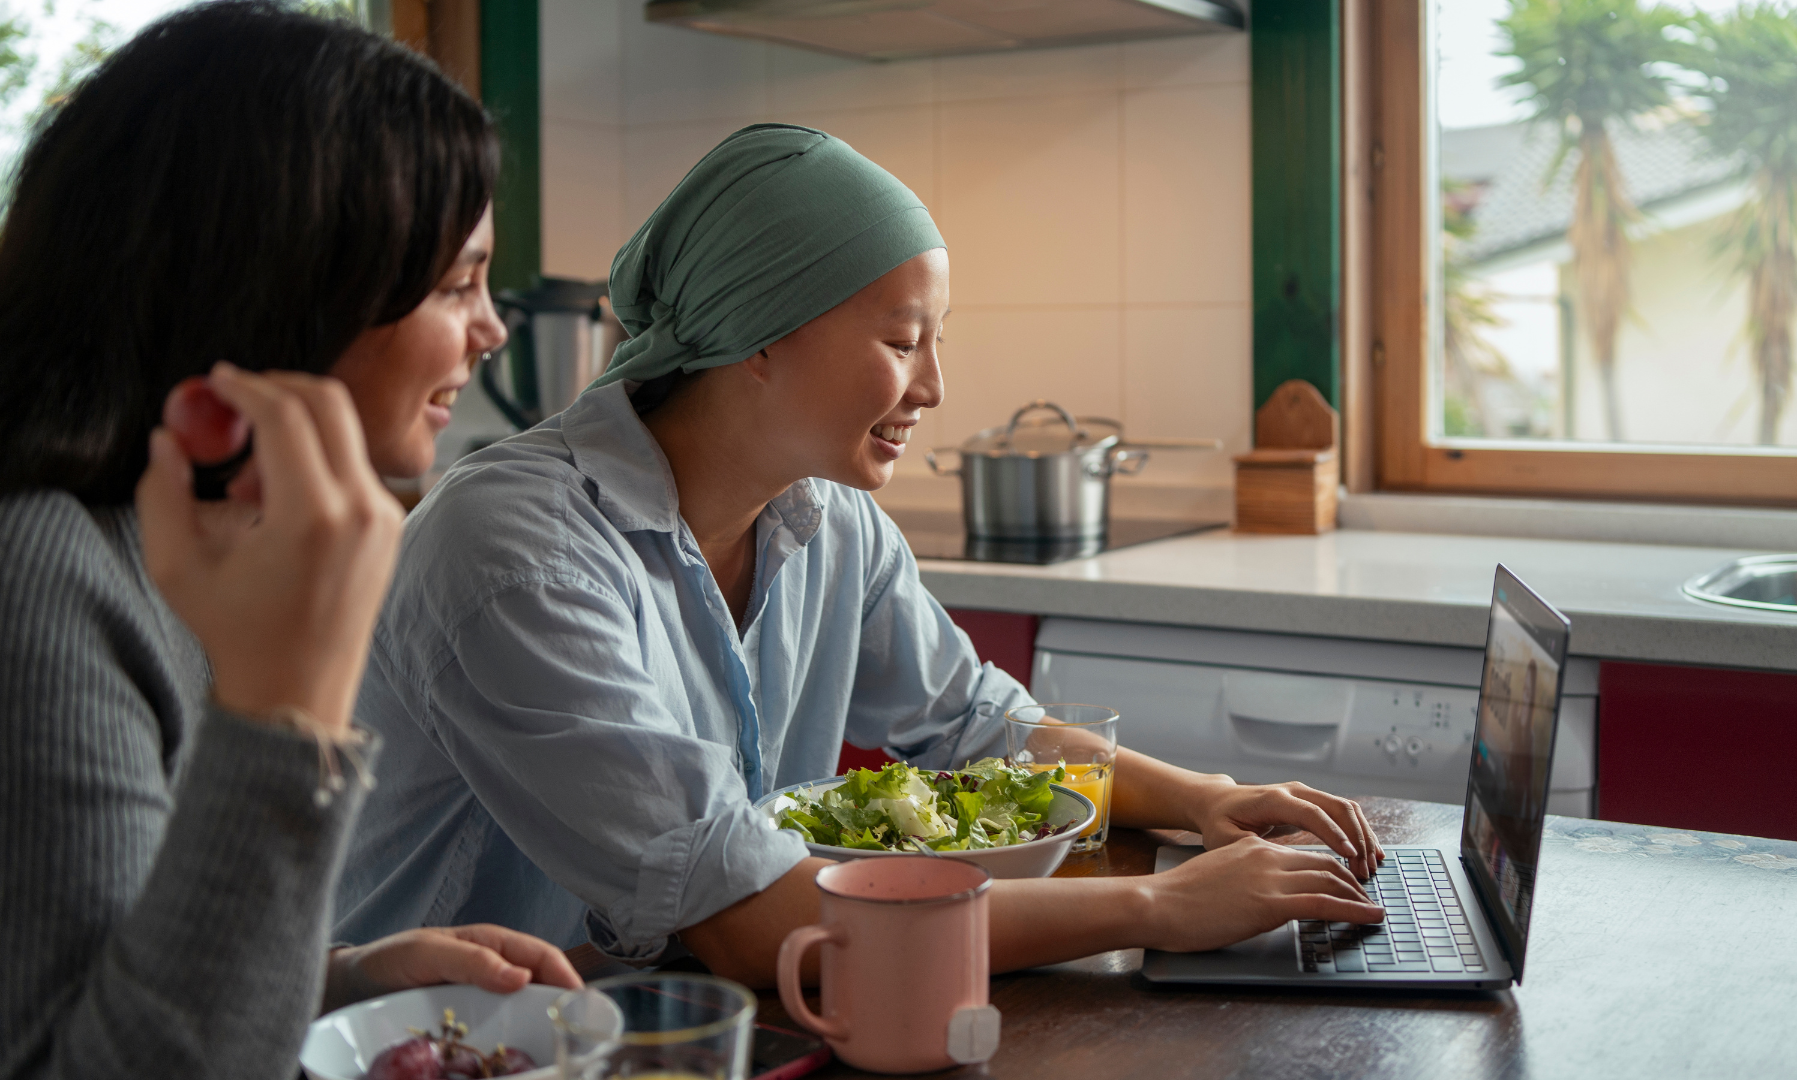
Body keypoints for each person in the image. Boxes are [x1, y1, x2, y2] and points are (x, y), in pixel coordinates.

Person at [335, 124, 1387, 985]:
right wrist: (1157, 905)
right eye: (901, 341)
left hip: (690, 1022)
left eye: (937, 342)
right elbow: (753, 925)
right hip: (460, 1043)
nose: (933, 388)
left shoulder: (826, 519)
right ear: (758, 334)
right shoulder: (519, 551)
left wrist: (1202, 798)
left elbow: (976, 726)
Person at [0, 6, 579, 1078]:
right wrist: (288, 713)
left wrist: (344, 979)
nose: (491, 328)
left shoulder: (190, 544)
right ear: (286, 286)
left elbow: (118, 978)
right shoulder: (40, 573)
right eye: (456, 284)